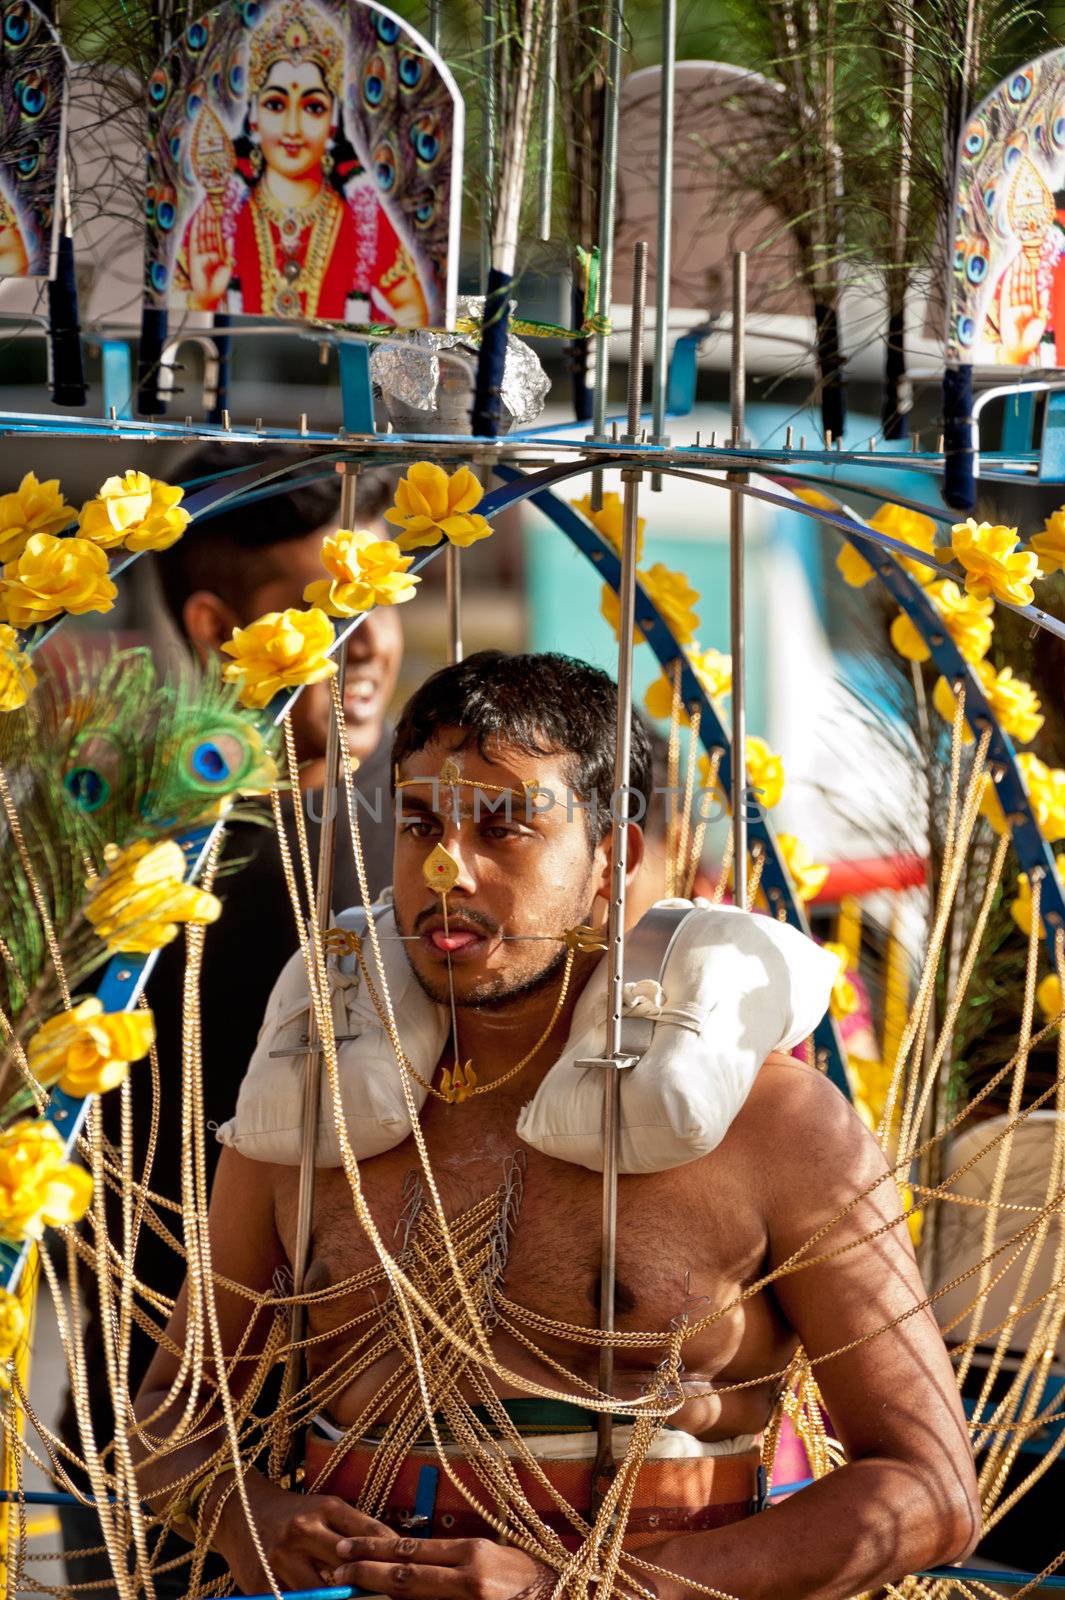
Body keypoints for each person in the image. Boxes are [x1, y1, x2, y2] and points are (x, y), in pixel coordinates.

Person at [135, 651, 979, 1600]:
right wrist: (244, 1512)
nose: (450, 869)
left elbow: (930, 1490)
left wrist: (572, 1591)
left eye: (506, 827)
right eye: (421, 826)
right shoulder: (314, 1098)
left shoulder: (774, 1126)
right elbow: (172, 1413)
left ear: (612, 857)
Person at [56, 450, 404, 1593]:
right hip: (169, 1427)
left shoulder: (414, 845)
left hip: (373, 1426)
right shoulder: (129, 873)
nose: (365, 643)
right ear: (213, 625)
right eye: (320, 609)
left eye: (378, 601)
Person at [175, 0, 431, 324]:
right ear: (253, 117)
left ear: (333, 123)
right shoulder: (218, 218)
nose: (293, 128)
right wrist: (204, 298)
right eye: (276, 104)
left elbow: (415, 310)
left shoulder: (363, 220)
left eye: (312, 107)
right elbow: (164, 310)